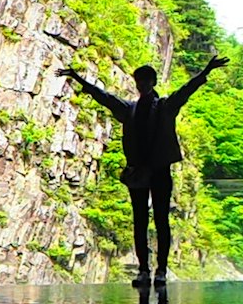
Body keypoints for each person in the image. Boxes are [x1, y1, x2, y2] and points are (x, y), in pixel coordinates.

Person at [70, 53, 218, 285]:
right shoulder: (130, 109)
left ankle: (160, 270)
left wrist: (205, 72)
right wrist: (78, 79)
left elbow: (186, 90)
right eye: (139, 81)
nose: (142, 84)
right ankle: (144, 269)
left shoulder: (165, 106)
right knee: (140, 221)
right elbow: (105, 97)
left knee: (160, 220)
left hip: (159, 171)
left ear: (152, 82)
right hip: (138, 172)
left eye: (145, 80)